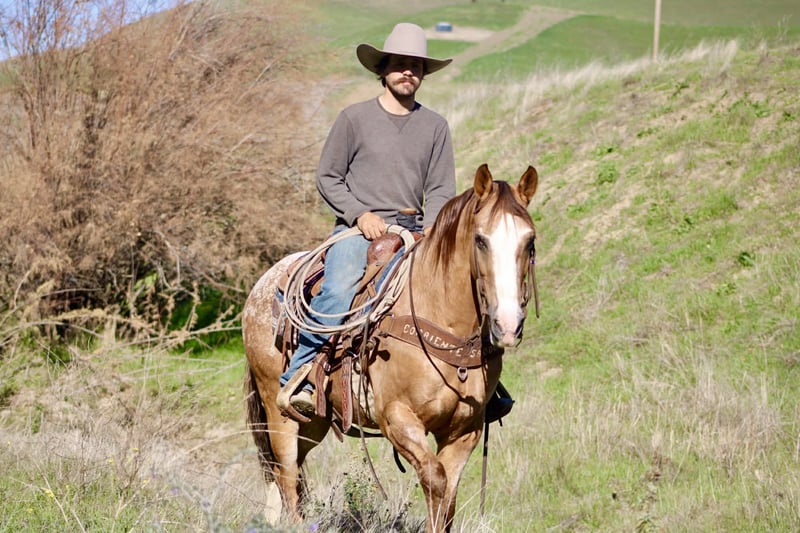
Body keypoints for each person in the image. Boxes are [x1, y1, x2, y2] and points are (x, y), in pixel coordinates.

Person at [277, 22, 513, 423]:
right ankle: (301, 375)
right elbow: (328, 177)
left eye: (416, 66)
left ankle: (484, 385)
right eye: (401, 64)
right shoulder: (353, 118)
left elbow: (440, 188)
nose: (409, 72)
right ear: (383, 69)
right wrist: (360, 214)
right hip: (358, 230)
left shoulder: (435, 126)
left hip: (417, 230)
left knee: (464, 289)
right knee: (338, 290)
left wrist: (433, 231)